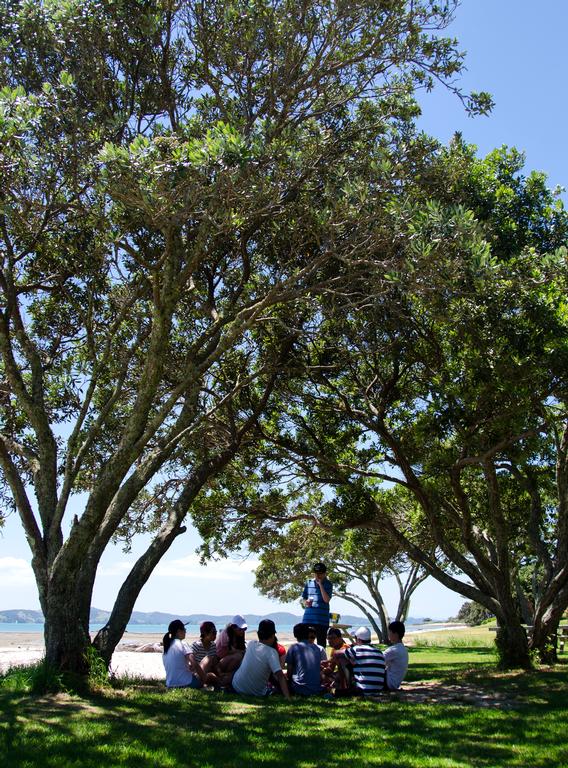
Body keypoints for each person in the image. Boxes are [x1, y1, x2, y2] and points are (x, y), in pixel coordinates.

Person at [232, 619, 290, 699]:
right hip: (256, 693)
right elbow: (280, 676)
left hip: (236, 686)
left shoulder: (251, 644)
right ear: (273, 635)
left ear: (258, 634)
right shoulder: (272, 652)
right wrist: (287, 696)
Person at [162, 619, 207, 689]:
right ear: (179, 631)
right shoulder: (183, 644)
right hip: (187, 683)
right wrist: (204, 678)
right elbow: (194, 663)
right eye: (184, 629)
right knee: (209, 670)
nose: (186, 631)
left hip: (170, 684)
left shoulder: (166, 647)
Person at [341, 626, 385, 696]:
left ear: (358, 639)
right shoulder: (379, 652)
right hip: (378, 690)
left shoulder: (356, 649)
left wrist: (350, 657)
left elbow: (338, 653)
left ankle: (346, 687)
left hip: (362, 690)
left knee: (343, 658)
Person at [286, 623, 327, 696]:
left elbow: (289, 672)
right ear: (307, 634)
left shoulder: (293, 648)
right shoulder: (317, 648)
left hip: (299, 688)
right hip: (316, 688)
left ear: (295, 635)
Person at [302, 562, 333, 647]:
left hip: (321, 620)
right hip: (308, 619)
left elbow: (326, 600)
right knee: (305, 644)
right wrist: (306, 602)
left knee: (321, 644)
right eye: (316, 573)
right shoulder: (308, 583)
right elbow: (303, 599)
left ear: (325, 573)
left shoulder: (328, 584)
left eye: (320, 573)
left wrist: (320, 585)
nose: (318, 576)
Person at [216, 614, 247, 679]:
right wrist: (242, 652)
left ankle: (229, 676)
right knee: (238, 656)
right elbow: (229, 651)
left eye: (244, 629)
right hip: (220, 662)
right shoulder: (225, 633)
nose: (242, 631)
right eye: (240, 629)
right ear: (233, 627)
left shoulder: (239, 635)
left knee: (242, 656)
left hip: (227, 659)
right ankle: (226, 675)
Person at [321, 626, 350, 690]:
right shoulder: (334, 649)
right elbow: (331, 669)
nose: (330, 640)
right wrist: (323, 668)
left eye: (333, 638)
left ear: (340, 638)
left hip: (348, 676)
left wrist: (328, 661)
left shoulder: (345, 647)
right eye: (328, 638)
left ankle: (343, 688)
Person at [383, 620, 409, 690]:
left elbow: (377, 659)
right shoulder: (403, 649)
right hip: (395, 683)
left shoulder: (394, 650)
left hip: (389, 683)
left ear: (395, 634)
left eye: (390, 632)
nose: (388, 635)